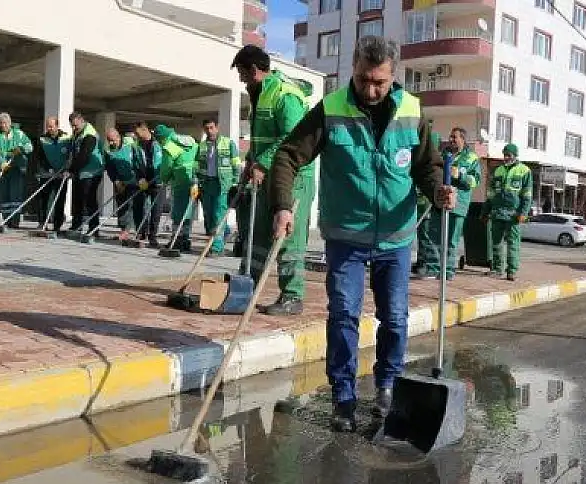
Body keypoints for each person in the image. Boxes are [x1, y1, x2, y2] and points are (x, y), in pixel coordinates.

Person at [268, 35, 456, 432]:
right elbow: (288, 155)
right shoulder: (331, 109)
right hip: (346, 235)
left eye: (380, 83)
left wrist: (437, 189)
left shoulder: (412, 112)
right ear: (352, 71)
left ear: (393, 77)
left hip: (396, 237)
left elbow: (427, 166)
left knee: (395, 318)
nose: (370, 90)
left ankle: (388, 383)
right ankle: (343, 396)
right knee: (343, 316)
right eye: (363, 80)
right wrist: (283, 204)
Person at [232, 44, 317, 316]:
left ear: (255, 70)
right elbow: (262, 138)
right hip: (266, 174)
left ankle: (292, 296)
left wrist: (263, 162)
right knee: (257, 233)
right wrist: (250, 163)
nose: (241, 79)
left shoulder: (284, 94)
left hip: (293, 177)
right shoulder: (259, 94)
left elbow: (292, 137)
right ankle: (248, 287)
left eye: (243, 73)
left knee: (288, 238)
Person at [418, 127, 480, 280]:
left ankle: (448, 270)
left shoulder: (471, 158)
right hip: (440, 200)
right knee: (434, 235)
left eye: (455, 137)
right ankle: (433, 268)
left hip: (458, 204)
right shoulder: (443, 154)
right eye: (450, 136)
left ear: (463, 139)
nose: (451, 139)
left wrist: (459, 174)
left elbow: (475, 181)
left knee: (451, 239)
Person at [485, 143, 533, 281]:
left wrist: (523, 212)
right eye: (504, 155)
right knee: (496, 242)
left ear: (515, 155)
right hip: (497, 212)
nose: (506, 157)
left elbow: (527, 194)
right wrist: (485, 211)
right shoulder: (498, 170)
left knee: (513, 243)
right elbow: (491, 193)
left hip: (514, 214)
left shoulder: (524, 171)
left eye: (509, 155)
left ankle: (511, 271)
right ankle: (497, 269)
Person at [195, 118, 243, 255]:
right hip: (206, 184)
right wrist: (195, 180)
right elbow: (197, 165)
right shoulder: (202, 146)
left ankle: (216, 247)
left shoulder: (228, 143)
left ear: (217, 127)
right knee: (209, 216)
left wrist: (235, 182)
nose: (209, 131)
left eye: (211, 127)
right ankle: (224, 233)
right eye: (206, 128)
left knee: (218, 215)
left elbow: (236, 164)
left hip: (222, 184)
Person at [154, 124, 198, 252]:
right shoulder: (188, 140)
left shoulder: (169, 146)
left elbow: (166, 167)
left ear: (160, 138)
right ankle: (185, 238)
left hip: (180, 180)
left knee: (178, 211)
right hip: (192, 179)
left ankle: (177, 239)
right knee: (188, 211)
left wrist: (164, 178)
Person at [0, 112, 33, 229]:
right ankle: (6, 220)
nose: (2, 125)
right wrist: (1, 162)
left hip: (16, 169)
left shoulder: (19, 134)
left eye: (5, 123)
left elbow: (30, 147)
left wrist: (20, 149)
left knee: (15, 196)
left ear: (10, 123)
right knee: (4, 197)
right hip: (1, 169)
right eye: (0, 123)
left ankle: (15, 221)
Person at [103, 127, 150, 241]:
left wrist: (142, 177)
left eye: (113, 140)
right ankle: (124, 230)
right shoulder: (108, 150)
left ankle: (141, 231)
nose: (111, 143)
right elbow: (110, 168)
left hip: (136, 180)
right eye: (109, 140)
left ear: (119, 137)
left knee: (139, 206)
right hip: (121, 182)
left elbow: (139, 161)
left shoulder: (131, 145)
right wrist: (116, 180)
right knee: (122, 207)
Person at [65, 111, 106, 235]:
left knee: (90, 200)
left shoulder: (89, 134)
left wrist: (71, 170)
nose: (73, 128)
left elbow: (84, 156)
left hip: (91, 172)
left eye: (75, 126)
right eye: (72, 125)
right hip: (81, 171)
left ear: (82, 121)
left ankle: (94, 228)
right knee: (77, 199)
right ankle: (76, 226)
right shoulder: (78, 133)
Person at [412, 120, 442, 276]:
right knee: (420, 235)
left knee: (428, 235)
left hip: (429, 202)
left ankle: (430, 265)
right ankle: (422, 262)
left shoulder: (432, 144)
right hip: (418, 202)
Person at [34, 116, 70, 230]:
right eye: (47, 126)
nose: (49, 128)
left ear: (57, 126)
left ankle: (57, 225)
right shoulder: (42, 139)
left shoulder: (67, 137)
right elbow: (39, 157)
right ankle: (42, 223)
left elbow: (71, 154)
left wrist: (67, 169)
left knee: (60, 199)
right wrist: (48, 168)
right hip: (47, 174)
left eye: (51, 126)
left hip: (61, 174)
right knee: (43, 199)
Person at [133, 121, 165, 246]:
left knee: (156, 209)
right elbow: (136, 164)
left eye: (137, 132)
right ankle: (142, 232)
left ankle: (153, 235)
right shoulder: (137, 146)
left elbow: (162, 162)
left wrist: (159, 176)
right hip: (144, 181)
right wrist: (140, 178)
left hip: (158, 181)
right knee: (141, 207)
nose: (136, 135)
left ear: (144, 129)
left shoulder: (159, 142)